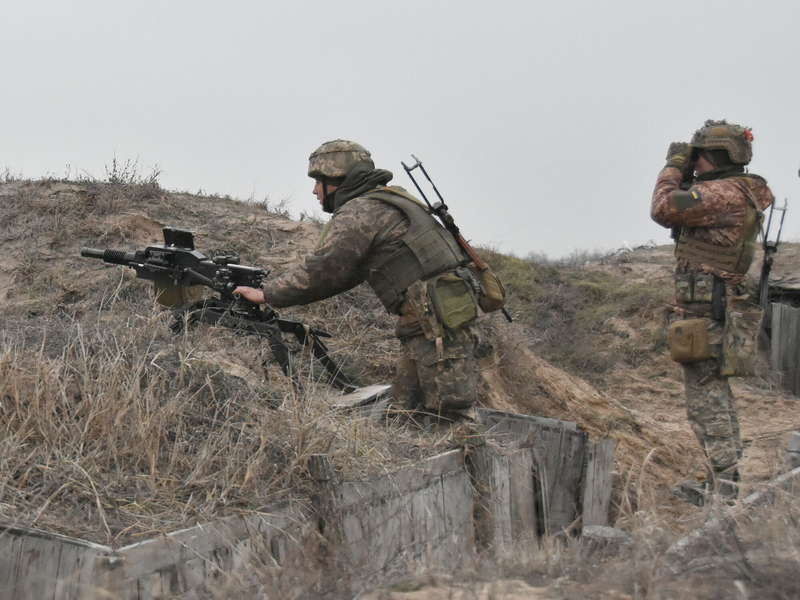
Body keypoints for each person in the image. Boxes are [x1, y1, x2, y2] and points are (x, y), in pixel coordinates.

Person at [235, 140, 484, 416]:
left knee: (450, 417)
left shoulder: (361, 211)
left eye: (318, 181)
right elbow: (347, 272)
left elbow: (325, 269)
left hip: (436, 330)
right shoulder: (389, 199)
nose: (314, 190)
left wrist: (267, 294)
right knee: (403, 412)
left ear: (336, 179)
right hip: (431, 324)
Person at [651, 119, 774, 504]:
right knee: (714, 396)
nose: (695, 164)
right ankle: (724, 477)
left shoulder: (724, 193)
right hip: (709, 311)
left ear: (716, 156)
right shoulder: (737, 189)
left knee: (706, 402)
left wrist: (672, 167)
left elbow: (663, 207)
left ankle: (724, 489)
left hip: (708, 316)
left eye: (698, 157)